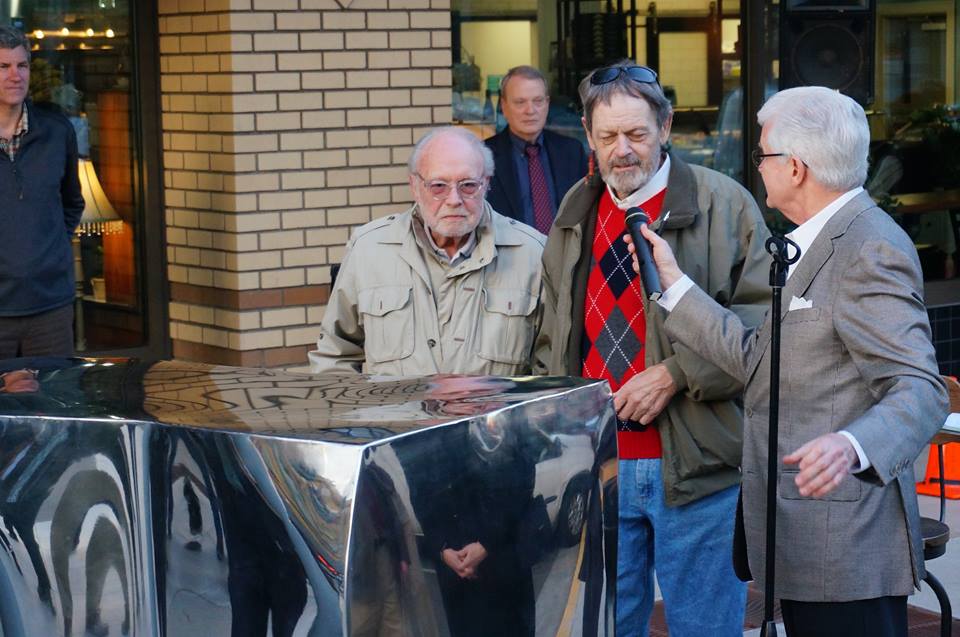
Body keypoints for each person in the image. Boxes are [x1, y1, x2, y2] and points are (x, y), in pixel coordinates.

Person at [631, 85, 949, 637]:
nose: (757, 167)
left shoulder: (868, 247)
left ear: (795, 167)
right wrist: (676, 286)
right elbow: (759, 360)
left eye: (762, 154)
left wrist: (852, 446)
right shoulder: (817, 241)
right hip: (804, 542)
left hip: (846, 549)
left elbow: (922, 389)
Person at [533, 60, 771, 636]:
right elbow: (551, 339)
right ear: (588, 136)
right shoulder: (574, 212)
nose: (623, 150)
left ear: (665, 128)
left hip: (697, 468)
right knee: (604, 629)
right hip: (597, 469)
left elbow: (765, 333)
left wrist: (675, 373)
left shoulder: (728, 206)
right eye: (608, 136)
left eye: (637, 134)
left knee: (704, 630)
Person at [309, 126, 544, 376]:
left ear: (485, 184)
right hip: (395, 416)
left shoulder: (532, 254)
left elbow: (550, 370)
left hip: (495, 416)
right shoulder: (368, 250)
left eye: (467, 185)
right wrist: (358, 413)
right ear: (415, 186)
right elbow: (334, 355)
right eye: (439, 186)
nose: (454, 199)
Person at [0, 25, 84, 359]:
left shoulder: (56, 131)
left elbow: (72, 202)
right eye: (3, 67)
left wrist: (49, 251)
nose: (14, 75)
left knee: (52, 405)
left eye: (22, 66)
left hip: (50, 309)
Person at [484, 66, 588, 234]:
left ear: (547, 103)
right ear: (504, 106)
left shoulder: (571, 152)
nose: (530, 110)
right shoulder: (483, 157)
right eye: (520, 102)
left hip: (566, 256)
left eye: (538, 101)